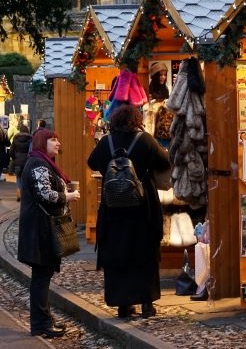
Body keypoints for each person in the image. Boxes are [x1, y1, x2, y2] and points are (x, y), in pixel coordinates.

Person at [87, 104, 170, 319]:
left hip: (114, 209)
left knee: (118, 254)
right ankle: (146, 304)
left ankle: (123, 305)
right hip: (143, 207)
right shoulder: (145, 140)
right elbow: (163, 162)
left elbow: (92, 162)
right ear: (136, 120)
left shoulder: (107, 142)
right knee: (144, 254)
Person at [17, 129, 80, 338]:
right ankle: (40, 323)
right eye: (53, 140)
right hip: (40, 229)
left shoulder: (41, 162)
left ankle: (44, 319)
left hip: (41, 227)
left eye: (58, 139)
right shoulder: (38, 164)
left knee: (43, 276)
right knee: (41, 277)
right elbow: (45, 194)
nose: (58, 143)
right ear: (42, 143)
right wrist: (68, 196)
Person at [10, 124, 32, 202]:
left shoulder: (15, 139)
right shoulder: (30, 139)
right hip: (27, 161)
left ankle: (19, 194)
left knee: (18, 178)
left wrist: (14, 157)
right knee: (26, 178)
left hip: (18, 161)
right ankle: (25, 195)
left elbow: (11, 151)